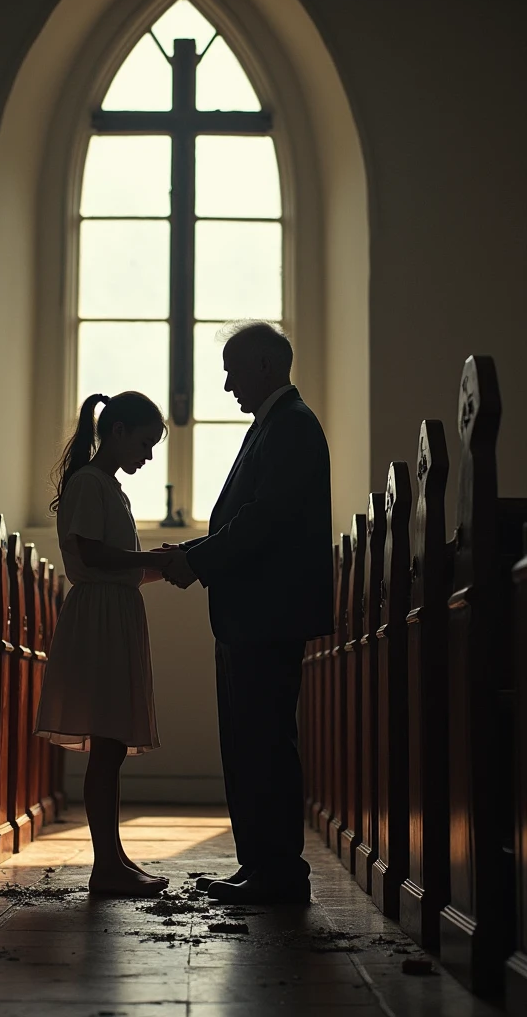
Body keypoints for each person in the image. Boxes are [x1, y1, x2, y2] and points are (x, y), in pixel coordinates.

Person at [157, 321, 334, 905]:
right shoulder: (274, 425)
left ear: (264, 364)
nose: (227, 383)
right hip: (249, 612)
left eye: (233, 369)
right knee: (244, 744)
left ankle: (280, 872)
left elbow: (265, 519)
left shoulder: (293, 426)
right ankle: (257, 864)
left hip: (267, 613)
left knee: (264, 744)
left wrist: (196, 560)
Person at [34, 391, 178, 897]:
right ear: (117, 432)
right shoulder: (88, 483)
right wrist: (157, 560)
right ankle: (105, 865)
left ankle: (113, 857)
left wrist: (168, 566)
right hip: (98, 617)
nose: (149, 455)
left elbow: (124, 570)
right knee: (107, 744)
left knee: (112, 745)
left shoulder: (112, 488)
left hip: (114, 612)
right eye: (145, 443)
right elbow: (93, 554)